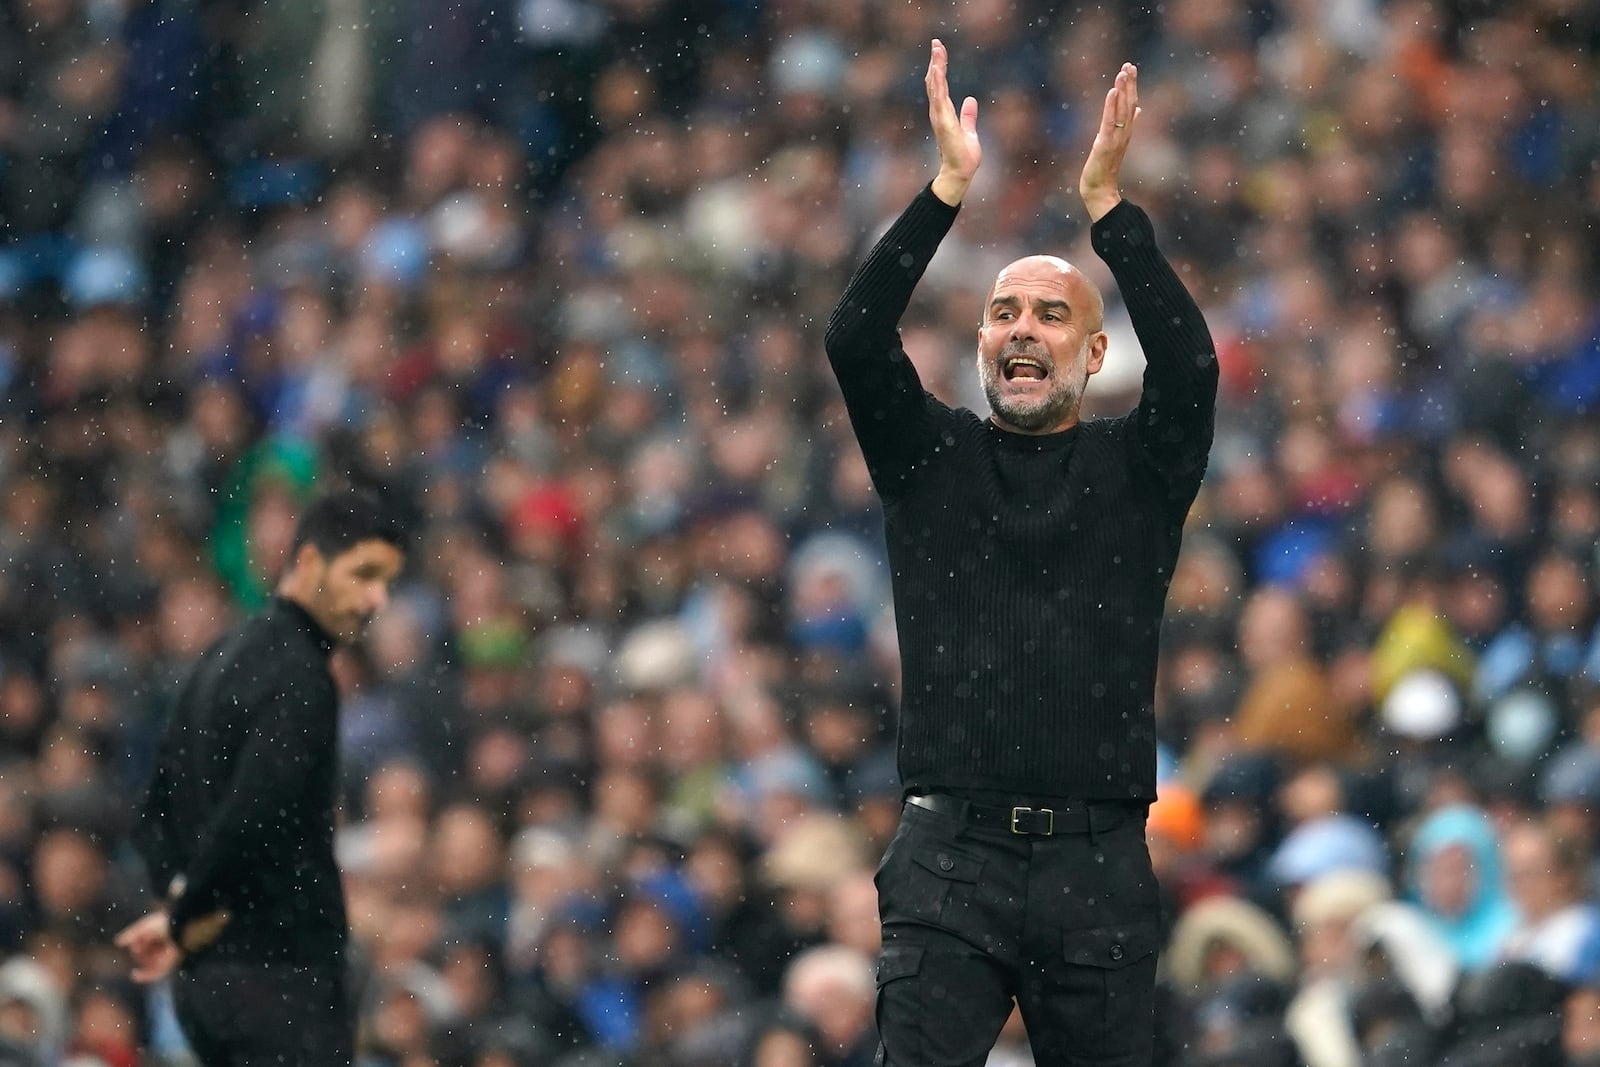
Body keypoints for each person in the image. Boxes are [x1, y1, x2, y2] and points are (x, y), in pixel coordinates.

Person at [823, 40, 1218, 1066]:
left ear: (1093, 353)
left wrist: (1109, 214)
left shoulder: (1139, 470)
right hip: (949, 852)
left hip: (1098, 856)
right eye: (1004, 312)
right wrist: (945, 191)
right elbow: (856, 334)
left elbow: (1191, 362)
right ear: (980, 341)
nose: (1022, 328)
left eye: (1051, 313)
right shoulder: (929, 456)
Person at [115, 487, 409, 1065]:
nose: (378, 598)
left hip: (211, 985)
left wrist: (179, 905)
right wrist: (187, 918)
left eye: (388, 580)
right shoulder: (303, 677)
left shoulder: (222, 656)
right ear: (307, 563)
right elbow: (256, 818)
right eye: (364, 574)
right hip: (277, 980)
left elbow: (157, 815)